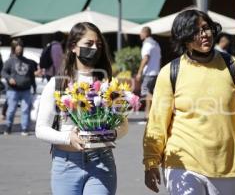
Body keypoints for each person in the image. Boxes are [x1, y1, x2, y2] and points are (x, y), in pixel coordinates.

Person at [143, 9, 235, 195]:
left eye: (206, 28)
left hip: (227, 165)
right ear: (184, 38)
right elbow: (157, 122)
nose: (203, 35)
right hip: (182, 163)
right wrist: (151, 161)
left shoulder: (234, 67)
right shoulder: (170, 72)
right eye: (195, 32)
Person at [35, 22, 128, 195]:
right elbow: (40, 129)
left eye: (98, 45)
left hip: (102, 162)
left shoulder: (108, 85)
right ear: (73, 47)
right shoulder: (57, 83)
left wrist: (111, 133)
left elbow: (123, 125)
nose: (94, 48)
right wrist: (67, 137)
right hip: (66, 165)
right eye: (89, 44)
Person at [1, 38, 37, 135]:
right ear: (14, 49)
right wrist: (9, 78)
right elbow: (3, 72)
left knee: (25, 110)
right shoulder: (10, 61)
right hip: (13, 90)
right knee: (11, 110)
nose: (19, 51)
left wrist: (34, 87)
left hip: (26, 89)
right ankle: (8, 127)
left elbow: (32, 76)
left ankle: (24, 129)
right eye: (17, 49)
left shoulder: (28, 62)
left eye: (20, 49)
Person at [136, 27, 161, 120]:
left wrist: (139, 72)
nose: (140, 34)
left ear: (146, 33)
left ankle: (150, 114)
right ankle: (149, 113)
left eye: (141, 32)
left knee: (147, 93)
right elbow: (159, 58)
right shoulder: (156, 44)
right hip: (156, 72)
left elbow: (145, 58)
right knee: (150, 92)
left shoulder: (147, 44)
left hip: (149, 73)